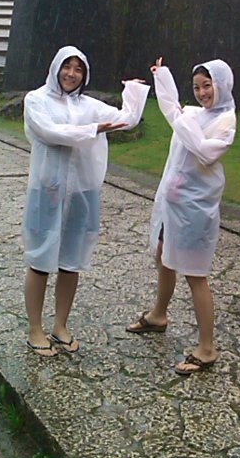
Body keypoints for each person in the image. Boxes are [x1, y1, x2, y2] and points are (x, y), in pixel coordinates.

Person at [22, 45, 149, 357]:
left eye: (79, 69)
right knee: (40, 261)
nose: (71, 74)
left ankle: (60, 325)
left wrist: (134, 90)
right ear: (56, 68)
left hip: (81, 193)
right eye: (67, 67)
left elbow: (127, 119)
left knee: (71, 261)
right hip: (47, 191)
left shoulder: (89, 105)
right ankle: (35, 329)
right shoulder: (36, 100)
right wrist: (93, 129)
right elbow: (51, 132)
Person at [127, 56, 236, 375]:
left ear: (222, 85)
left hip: (194, 210)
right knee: (163, 256)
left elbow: (204, 150)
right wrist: (162, 77)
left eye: (208, 86)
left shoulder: (226, 121)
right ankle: (158, 314)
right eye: (197, 87)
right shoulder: (195, 114)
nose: (202, 93)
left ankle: (207, 347)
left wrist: (179, 117)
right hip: (173, 205)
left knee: (195, 275)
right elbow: (172, 108)